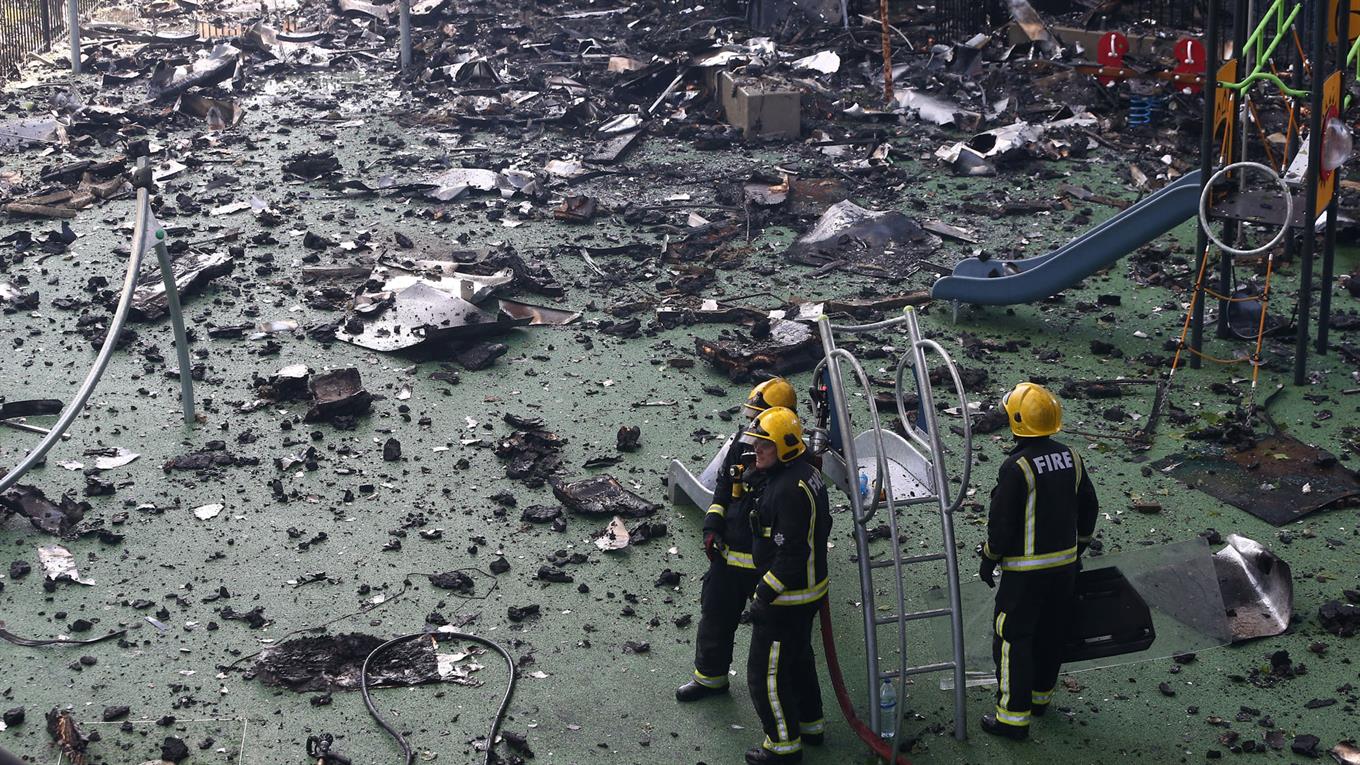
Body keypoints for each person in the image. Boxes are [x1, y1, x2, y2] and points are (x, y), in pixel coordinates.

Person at [977, 382, 1099, 741]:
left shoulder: (1016, 467)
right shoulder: (1072, 456)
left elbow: (1002, 525)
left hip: (1025, 576)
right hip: (1064, 571)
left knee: (1012, 638)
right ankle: (1040, 699)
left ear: (1016, 421)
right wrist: (1078, 549)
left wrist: (988, 558)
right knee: (1051, 633)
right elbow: (1089, 507)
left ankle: (1012, 720)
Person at [676, 378, 798, 702]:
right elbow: (722, 487)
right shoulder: (743, 444)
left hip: (766, 567)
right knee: (714, 615)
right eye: (752, 418)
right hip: (729, 555)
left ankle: (792, 710)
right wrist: (712, 526)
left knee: (773, 645)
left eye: (760, 418)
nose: (753, 427)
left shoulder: (790, 464)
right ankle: (710, 678)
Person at [742, 406, 831, 764]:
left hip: (787, 599)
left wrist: (764, 594)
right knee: (799, 661)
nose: (756, 451)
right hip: (809, 592)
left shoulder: (786, 490)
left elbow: (791, 551)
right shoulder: (806, 475)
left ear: (785, 447)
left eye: (764, 446)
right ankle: (810, 724)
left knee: (766, 673)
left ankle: (782, 746)